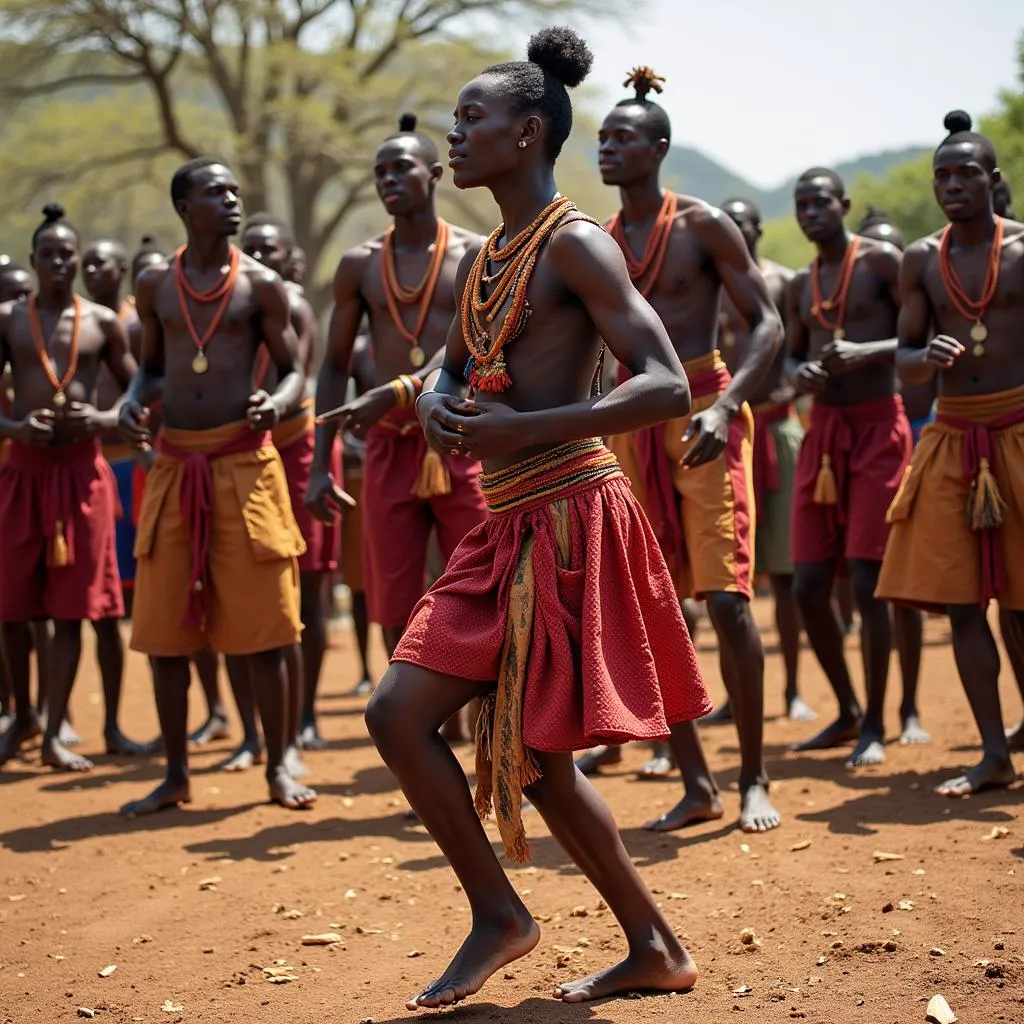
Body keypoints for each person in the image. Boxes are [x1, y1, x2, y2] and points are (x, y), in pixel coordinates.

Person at [355, 30, 715, 1008]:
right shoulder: (490, 257)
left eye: (470, 119)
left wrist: (529, 421)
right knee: (524, 753)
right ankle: (645, 943)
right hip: (504, 516)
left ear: (526, 132)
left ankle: (511, 917)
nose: (453, 134)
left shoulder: (573, 242)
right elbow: (456, 361)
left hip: (568, 513)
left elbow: (666, 385)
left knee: (415, 716)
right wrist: (432, 398)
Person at [587, 67, 783, 833]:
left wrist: (729, 406)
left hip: (707, 412)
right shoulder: (596, 242)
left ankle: (755, 778)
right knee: (651, 606)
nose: (608, 148)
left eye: (624, 138)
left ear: (659, 148)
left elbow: (766, 323)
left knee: (728, 600)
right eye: (602, 137)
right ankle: (696, 780)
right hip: (633, 427)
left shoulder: (703, 225)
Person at [117, 157, 316, 814]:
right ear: (184, 206)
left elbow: (293, 372)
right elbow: (149, 370)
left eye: (235, 190)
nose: (232, 200)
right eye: (216, 192)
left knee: (270, 626)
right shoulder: (155, 286)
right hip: (175, 466)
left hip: (243, 464)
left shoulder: (261, 286)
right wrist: (132, 401)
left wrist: (277, 404)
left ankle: (280, 764)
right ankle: (176, 774)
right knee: (164, 627)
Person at [877, 111, 1024, 795]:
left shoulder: (1022, 252)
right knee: (963, 602)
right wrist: (921, 354)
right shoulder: (920, 259)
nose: (953, 184)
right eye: (943, 174)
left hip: (1019, 432)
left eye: (967, 172)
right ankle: (993, 752)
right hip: (952, 433)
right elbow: (905, 366)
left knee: (1022, 604)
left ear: (994, 181)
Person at [307, 114, 488, 660]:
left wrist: (406, 387)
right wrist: (320, 464)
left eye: (400, 169)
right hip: (389, 446)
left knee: (482, 580)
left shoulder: (475, 254)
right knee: (395, 595)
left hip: (460, 435)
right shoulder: (359, 265)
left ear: (434, 175)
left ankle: (485, 718)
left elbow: (472, 342)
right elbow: (333, 365)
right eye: (379, 172)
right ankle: (413, 724)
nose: (387, 180)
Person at [785, 167, 924, 767]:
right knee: (810, 587)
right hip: (824, 437)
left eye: (821, 201)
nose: (812, 211)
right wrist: (801, 375)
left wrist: (867, 351)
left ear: (842, 205)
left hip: (877, 430)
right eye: (802, 204)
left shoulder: (882, 262)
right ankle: (844, 710)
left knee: (868, 583)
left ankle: (876, 720)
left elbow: (923, 339)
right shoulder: (798, 284)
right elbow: (790, 356)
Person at [0, 205, 136, 771]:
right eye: (48, 255)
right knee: (10, 606)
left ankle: (55, 731)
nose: (59, 263)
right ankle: (23, 715)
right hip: (22, 474)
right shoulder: (8, 318)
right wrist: (11, 427)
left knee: (71, 611)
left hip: (82, 478)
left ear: (78, 260)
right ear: (33, 263)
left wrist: (102, 422)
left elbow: (139, 395)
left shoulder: (102, 322)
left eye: (67, 254)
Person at [214, 212, 328, 767]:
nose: (259, 255)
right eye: (250, 246)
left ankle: (301, 718)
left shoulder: (295, 308)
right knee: (235, 596)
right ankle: (248, 734)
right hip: (236, 454)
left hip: (291, 449)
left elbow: (297, 379)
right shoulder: (226, 302)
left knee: (301, 593)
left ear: (288, 257)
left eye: (269, 248)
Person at [717, 198, 812, 722]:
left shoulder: (783, 283)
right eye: (726, 221)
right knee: (734, 576)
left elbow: (797, 351)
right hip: (726, 436)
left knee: (786, 571)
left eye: (743, 221)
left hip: (777, 431)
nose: (734, 228)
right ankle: (738, 694)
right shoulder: (709, 285)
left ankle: (794, 689)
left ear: (757, 228)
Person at [854, 209, 928, 747]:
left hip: (920, 433)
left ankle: (909, 708)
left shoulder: (913, 295)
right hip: (865, 438)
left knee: (903, 583)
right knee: (873, 581)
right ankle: (879, 713)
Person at [339, 329, 375, 694]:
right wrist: (349, 444)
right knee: (359, 581)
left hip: (428, 470)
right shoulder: (361, 349)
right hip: (365, 472)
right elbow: (339, 406)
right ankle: (366, 669)